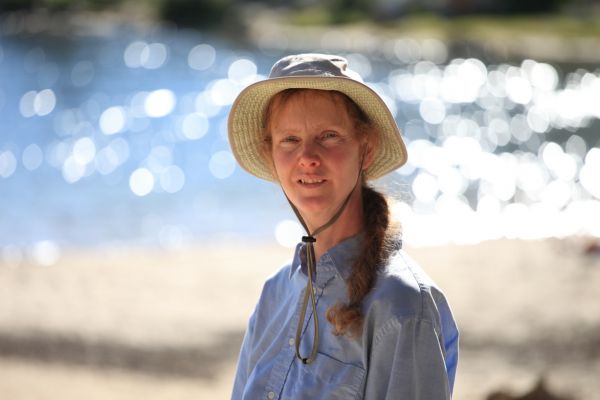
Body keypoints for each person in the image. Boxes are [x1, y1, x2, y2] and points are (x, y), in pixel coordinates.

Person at [227, 53, 459, 400]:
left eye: (329, 136)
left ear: (365, 150)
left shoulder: (403, 305)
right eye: (289, 139)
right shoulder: (276, 292)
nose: (308, 156)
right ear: (271, 155)